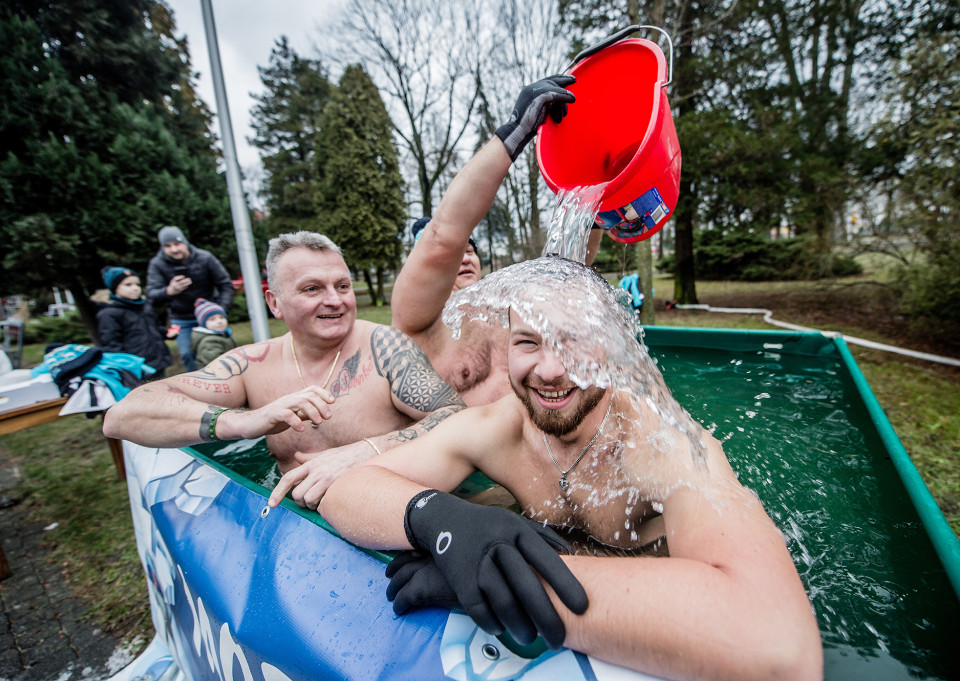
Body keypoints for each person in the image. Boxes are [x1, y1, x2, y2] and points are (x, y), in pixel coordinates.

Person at [310, 258, 823, 681]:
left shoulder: (660, 444)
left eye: (574, 340)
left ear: (612, 347)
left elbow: (779, 647)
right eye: (528, 342)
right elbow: (346, 491)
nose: (550, 370)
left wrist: (513, 580)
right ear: (506, 346)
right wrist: (441, 524)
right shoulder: (498, 429)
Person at [106, 231, 466, 510]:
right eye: (312, 288)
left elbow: (457, 417)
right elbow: (123, 416)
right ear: (274, 302)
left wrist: (368, 450)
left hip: (391, 508)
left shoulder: (386, 348)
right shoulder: (251, 365)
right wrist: (242, 422)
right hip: (297, 518)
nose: (335, 299)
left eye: (342, 285)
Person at [391, 75, 604, 407]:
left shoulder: (508, 306)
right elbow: (442, 239)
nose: (464, 257)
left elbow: (570, 269)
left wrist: (597, 195)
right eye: (455, 253)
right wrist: (515, 132)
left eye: (471, 250)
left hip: (532, 449)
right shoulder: (417, 322)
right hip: (463, 453)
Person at [145, 225, 234, 372]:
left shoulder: (205, 258)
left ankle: (227, 380)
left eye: (177, 244)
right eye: (168, 246)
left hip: (209, 316)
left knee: (223, 350)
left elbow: (225, 284)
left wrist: (220, 310)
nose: (174, 249)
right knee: (187, 354)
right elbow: (151, 295)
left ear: (185, 242)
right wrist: (169, 291)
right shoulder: (157, 264)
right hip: (182, 318)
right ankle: (198, 384)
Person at [96, 266, 177, 380]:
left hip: (157, 363)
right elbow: (111, 345)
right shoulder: (109, 314)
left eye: (137, 284)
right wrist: (125, 367)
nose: (135, 288)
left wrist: (167, 332)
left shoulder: (145, 307)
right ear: (114, 288)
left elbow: (155, 328)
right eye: (128, 285)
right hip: (136, 369)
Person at [190, 298, 237, 369]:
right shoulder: (208, 341)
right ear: (204, 324)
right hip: (215, 375)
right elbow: (217, 362)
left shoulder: (224, 334)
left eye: (222, 317)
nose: (219, 321)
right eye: (212, 319)